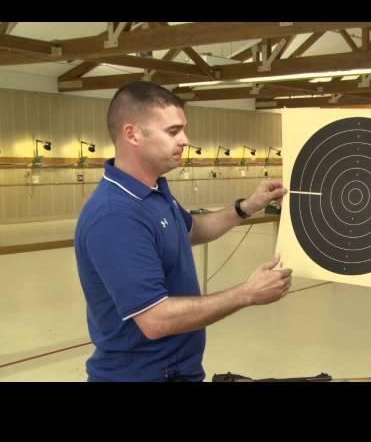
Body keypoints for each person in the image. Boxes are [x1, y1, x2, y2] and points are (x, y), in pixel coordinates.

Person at [75, 81, 292, 382]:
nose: (185, 140)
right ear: (132, 134)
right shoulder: (116, 215)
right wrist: (247, 293)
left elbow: (192, 229)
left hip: (177, 372)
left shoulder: (154, 190)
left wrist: (248, 205)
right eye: (173, 131)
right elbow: (155, 319)